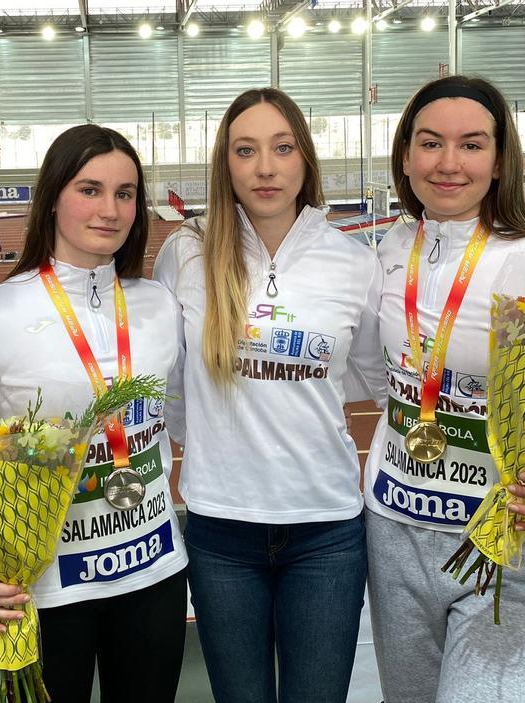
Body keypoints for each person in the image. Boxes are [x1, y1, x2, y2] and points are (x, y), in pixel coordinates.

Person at [361, 75, 525, 703]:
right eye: (430, 143)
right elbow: (376, 374)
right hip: (396, 536)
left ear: (500, 160)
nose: (449, 163)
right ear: (406, 157)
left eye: (471, 145)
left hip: (509, 550)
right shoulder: (389, 248)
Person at [152, 87, 385, 703]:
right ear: (224, 163)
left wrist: (296, 394)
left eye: (282, 149)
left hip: (327, 530)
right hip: (219, 529)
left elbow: (368, 376)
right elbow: (172, 381)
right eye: (245, 150)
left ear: (305, 159)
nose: (264, 167)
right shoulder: (186, 253)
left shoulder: (353, 262)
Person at [0, 124, 188, 703]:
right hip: (46, 589)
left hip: (153, 572)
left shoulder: (159, 305)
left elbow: (182, 421)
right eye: (90, 189)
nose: (110, 209)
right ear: (53, 197)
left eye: (125, 193)